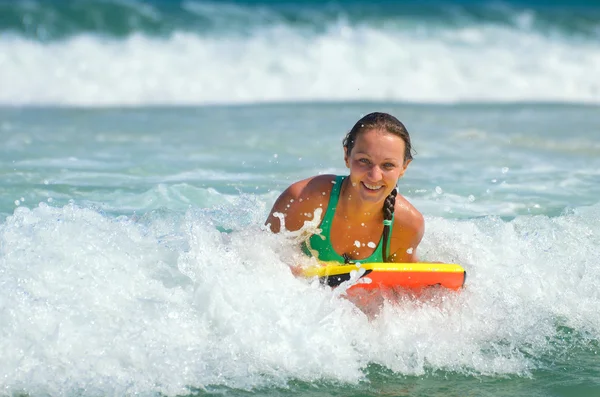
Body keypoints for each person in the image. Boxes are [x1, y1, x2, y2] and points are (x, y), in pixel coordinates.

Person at [265, 112, 424, 264]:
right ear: (347, 156)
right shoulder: (305, 199)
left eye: (388, 165)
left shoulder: (407, 224)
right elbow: (261, 260)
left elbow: (403, 285)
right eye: (364, 161)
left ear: (404, 167)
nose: (374, 176)